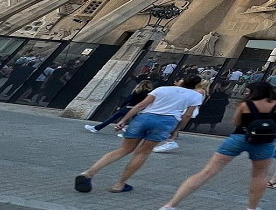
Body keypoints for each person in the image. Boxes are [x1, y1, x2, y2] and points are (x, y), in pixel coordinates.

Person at [154, 81, 276, 210]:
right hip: (264, 142)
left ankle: (169, 206)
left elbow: (236, 122)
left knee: (207, 172)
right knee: (259, 176)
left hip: (238, 138)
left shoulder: (245, 104)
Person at [74, 75, 203, 194]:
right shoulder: (195, 96)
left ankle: (89, 173)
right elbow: (187, 115)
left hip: (144, 118)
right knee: (142, 153)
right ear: (196, 85)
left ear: (181, 81)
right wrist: (176, 130)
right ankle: (119, 184)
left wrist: (123, 120)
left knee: (124, 149)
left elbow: (141, 105)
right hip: (165, 122)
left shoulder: (162, 89)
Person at [154, 80, 210, 152]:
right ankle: (170, 140)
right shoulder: (203, 92)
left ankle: (170, 141)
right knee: (175, 125)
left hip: (188, 109)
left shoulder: (199, 91)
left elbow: (190, 99)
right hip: (190, 108)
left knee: (175, 125)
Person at [85, 81, 154, 133]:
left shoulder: (137, 91)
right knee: (135, 121)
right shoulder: (149, 94)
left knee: (112, 118)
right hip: (138, 109)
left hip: (128, 107)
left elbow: (128, 99)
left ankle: (96, 128)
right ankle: (130, 131)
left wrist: (121, 106)